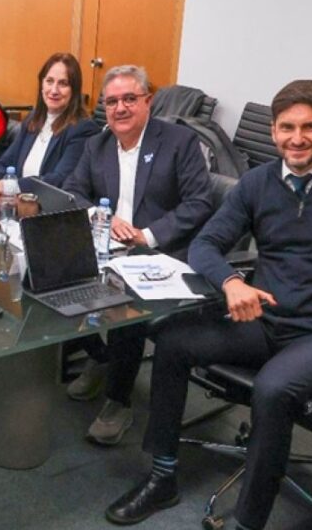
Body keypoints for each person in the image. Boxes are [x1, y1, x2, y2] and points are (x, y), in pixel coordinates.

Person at [106, 79, 312, 530]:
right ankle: (162, 477)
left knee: (272, 389)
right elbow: (206, 244)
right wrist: (232, 282)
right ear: (273, 131)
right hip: (263, 319)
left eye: (310, 127)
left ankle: (248, 522)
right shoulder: (258, 182)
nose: (297, 138)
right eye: (287, 127)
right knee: (173, 342)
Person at [62, 65, 212, 446]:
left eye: (130, 98)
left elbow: (199, 203)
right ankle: (102, 357)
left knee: (125, 303)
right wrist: (103, 218)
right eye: (112, 101)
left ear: (149, 101)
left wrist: (147, 235)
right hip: (110, 247)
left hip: (163, 254)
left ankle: (118, 401)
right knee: (52, 274)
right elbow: (73, 191)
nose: (120, 108)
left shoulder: (179, 142)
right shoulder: (98, 144)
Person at [0, 52, 98, 194]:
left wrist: (3, 186)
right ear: (41, 84)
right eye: (49, 81)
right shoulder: (34, 118)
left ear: (74, 90)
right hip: (17, 202)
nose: (54, 90)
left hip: (47, 205)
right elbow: (5, 161)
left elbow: (58, 180)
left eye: (63, 84)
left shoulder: (83, 129)